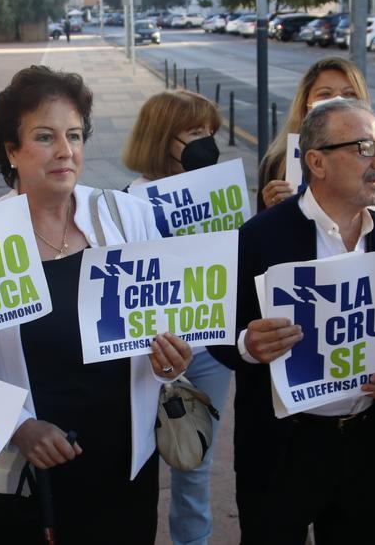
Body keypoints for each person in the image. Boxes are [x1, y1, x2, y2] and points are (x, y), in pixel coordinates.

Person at [0, 65, 196, 545]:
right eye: (44, 136)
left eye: (74, 135)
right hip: (29, 474)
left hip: (121, 461)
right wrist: (19, 426)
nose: (65, 151)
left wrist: (171, 362)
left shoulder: (131, 218)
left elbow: (165, 322)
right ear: (11, 151)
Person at [209, 98, 375, 544]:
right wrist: (249, 344)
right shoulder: (259, 238)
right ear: (316, 163)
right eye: (365, 147)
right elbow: (219, 333)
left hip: (368, 447)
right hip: (281, 452)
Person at [122, 89, 229, 545]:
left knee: (194, 465)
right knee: (136, 460)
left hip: (208, 354)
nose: (206, 140)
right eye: (194, 132)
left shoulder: (220, 195)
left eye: (210, 131)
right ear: (163, 137)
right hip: (145, 358)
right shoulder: (126, 204)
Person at [258, 57, 375, 247]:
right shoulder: (278, 162)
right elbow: (261, 250)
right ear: (305, 104)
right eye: (325, 94)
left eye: (350, 94)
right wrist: (273, 214)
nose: (338, 101)